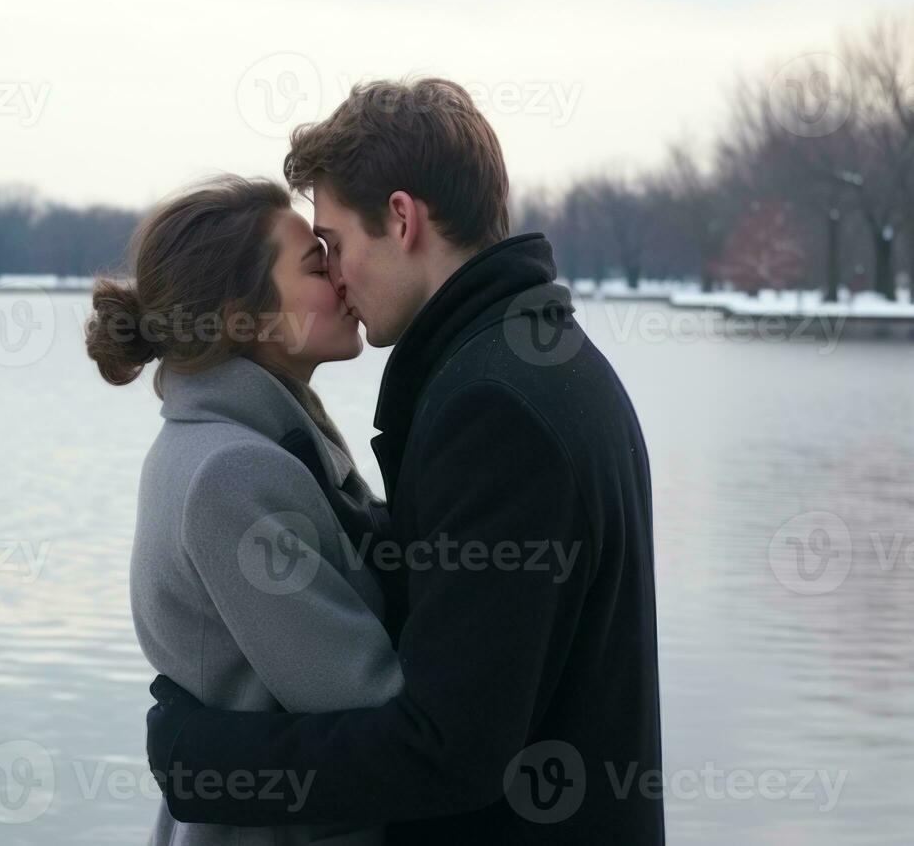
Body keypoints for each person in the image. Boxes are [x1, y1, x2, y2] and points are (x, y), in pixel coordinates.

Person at [145, 78, 666, 844]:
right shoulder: (533, 360)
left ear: (400, 218)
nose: (339, 274)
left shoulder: (496, 405)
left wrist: (203, 765)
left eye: (335, 244)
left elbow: (446, 748)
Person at [86, 174, 407, 846]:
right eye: (317, 266)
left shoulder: (241, 440)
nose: (343, 278)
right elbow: (365, 698)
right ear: (244, 318)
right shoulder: (233, 472)